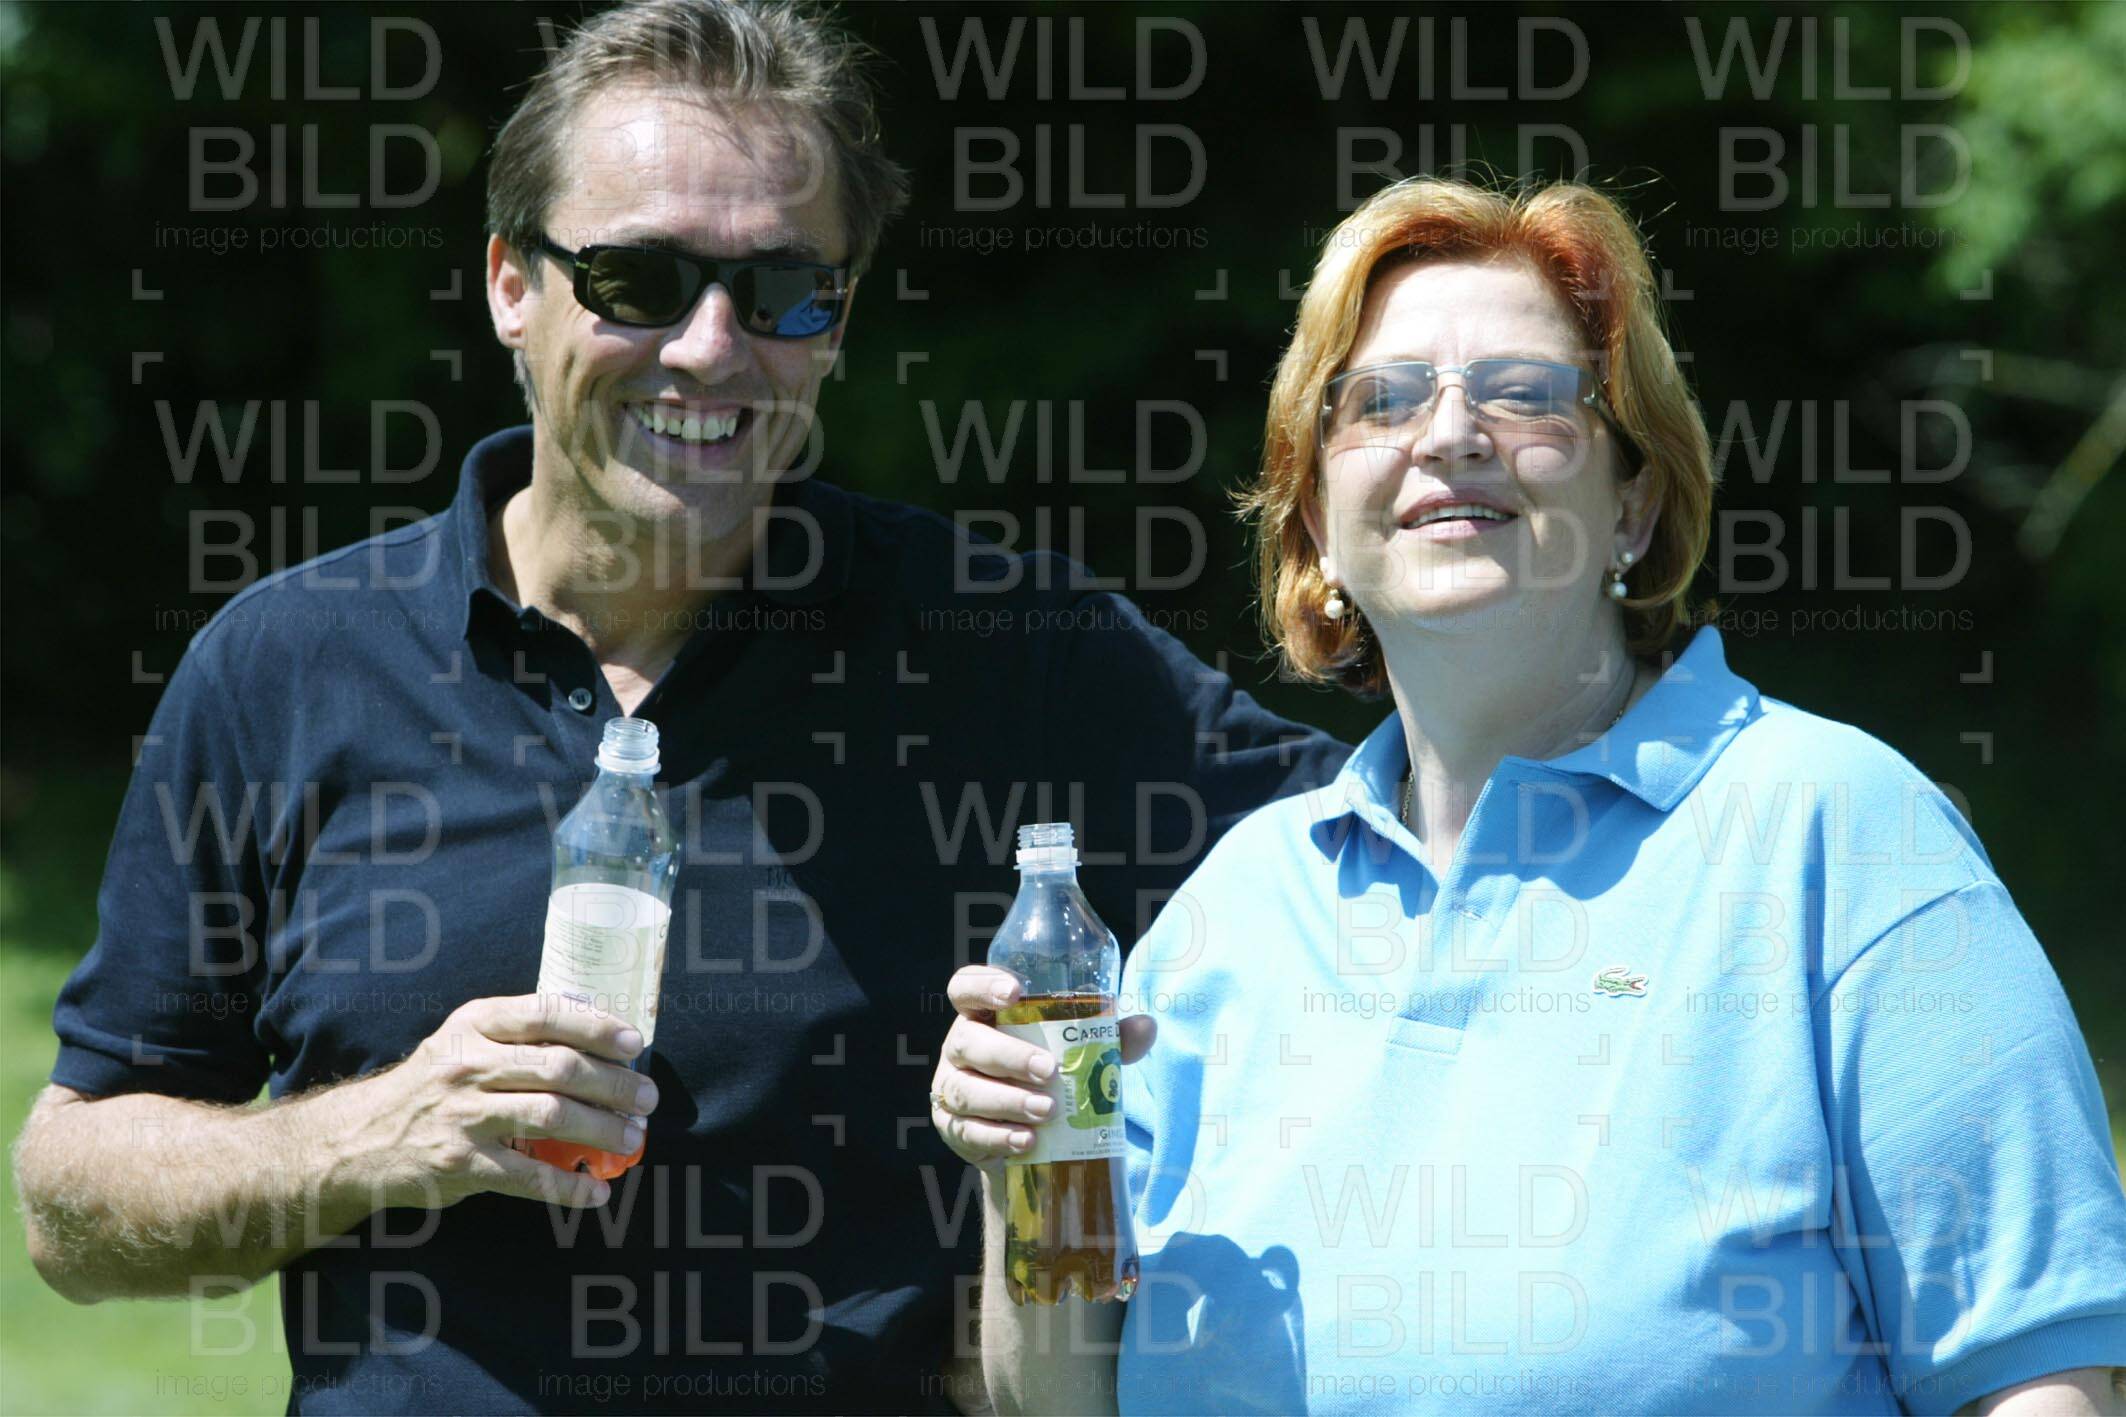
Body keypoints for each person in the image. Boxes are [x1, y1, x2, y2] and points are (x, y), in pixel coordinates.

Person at [12, 3, 1346, 1412]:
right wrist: (380, 1134)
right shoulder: (287, 667)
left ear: (839, 319)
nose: (711, 348)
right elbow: (73, 1204)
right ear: (510, 285)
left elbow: (1394, 866)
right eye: (638, 280)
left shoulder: (1009, 653)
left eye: (783, 290)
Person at [932, 177, 2126, 1414]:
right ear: (1317, 524)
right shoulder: (1227, 915)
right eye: (1382, 401)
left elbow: (2037, 1380)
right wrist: (1024, 1166)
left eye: (1522, 393)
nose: (1449, 433)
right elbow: (1055, 1402)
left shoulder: (1835, 832)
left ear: (1633, 502)